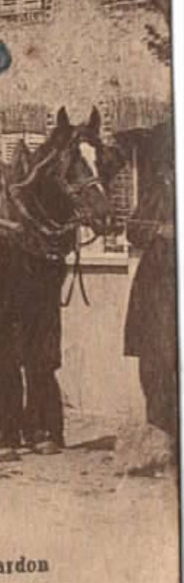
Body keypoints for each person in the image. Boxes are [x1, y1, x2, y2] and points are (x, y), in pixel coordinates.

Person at [124, 122, 177, 467]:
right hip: (157, 286)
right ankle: (161, 436)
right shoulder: (157, 191)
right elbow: (133, 230)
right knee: (156, 362)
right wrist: (160, 229)